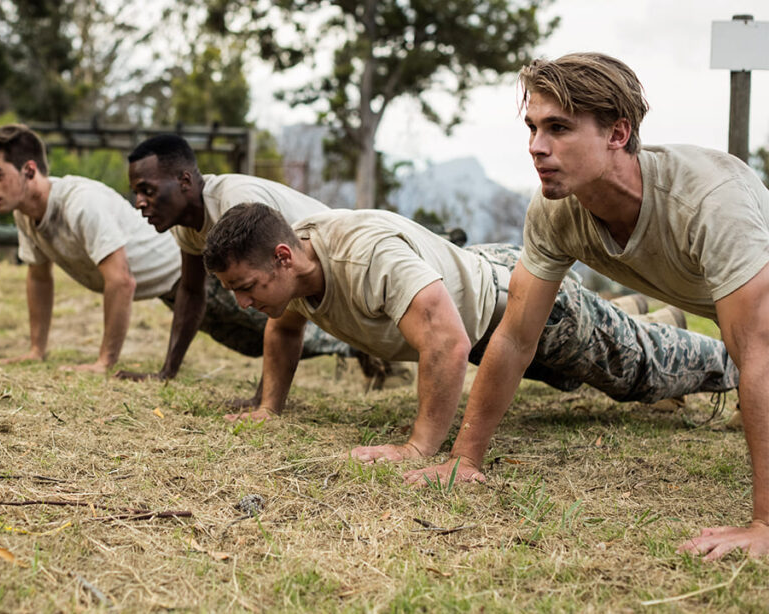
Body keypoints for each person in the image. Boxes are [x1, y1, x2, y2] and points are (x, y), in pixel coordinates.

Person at [415, 52, 769, 561]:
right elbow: (515, 337)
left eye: (558, 128)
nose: (537, 147)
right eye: (533, 128)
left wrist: (763, 523)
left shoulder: (711, 199)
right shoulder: (555, 211)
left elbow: (756, 351)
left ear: (617, 134)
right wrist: (463, 459)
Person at [201, 203, 738, 458]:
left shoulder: (366, 258)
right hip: (475, 293)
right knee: (578, 376)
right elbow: (285, 331)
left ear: (283, 256)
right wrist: (269, 408)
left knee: (638, 371)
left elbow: (446, 342)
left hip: (522, 305)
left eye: (245, 286)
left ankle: (742, 364)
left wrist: (418, 448)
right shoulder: (295, 269)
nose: (242, 302)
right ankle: (641, 315)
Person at [119, 134, 354, 390]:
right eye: (136, 193)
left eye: (147, 190)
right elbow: (191, 290)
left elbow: (280, 278)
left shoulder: (236, 203)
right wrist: (166, 372)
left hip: (344, 271)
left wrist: (265, 402)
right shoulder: (185, 226)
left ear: (184, 180)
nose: (139, 203)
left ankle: (358, 352)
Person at [0, 124, 180, 372]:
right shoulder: (24, 212)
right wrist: (36, 351)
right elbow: (39, 277)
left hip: (190, 273)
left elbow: (122, 282)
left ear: (29, 170)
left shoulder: (81, 203)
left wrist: (104, 363)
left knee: (240, 337)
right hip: (166, 288)